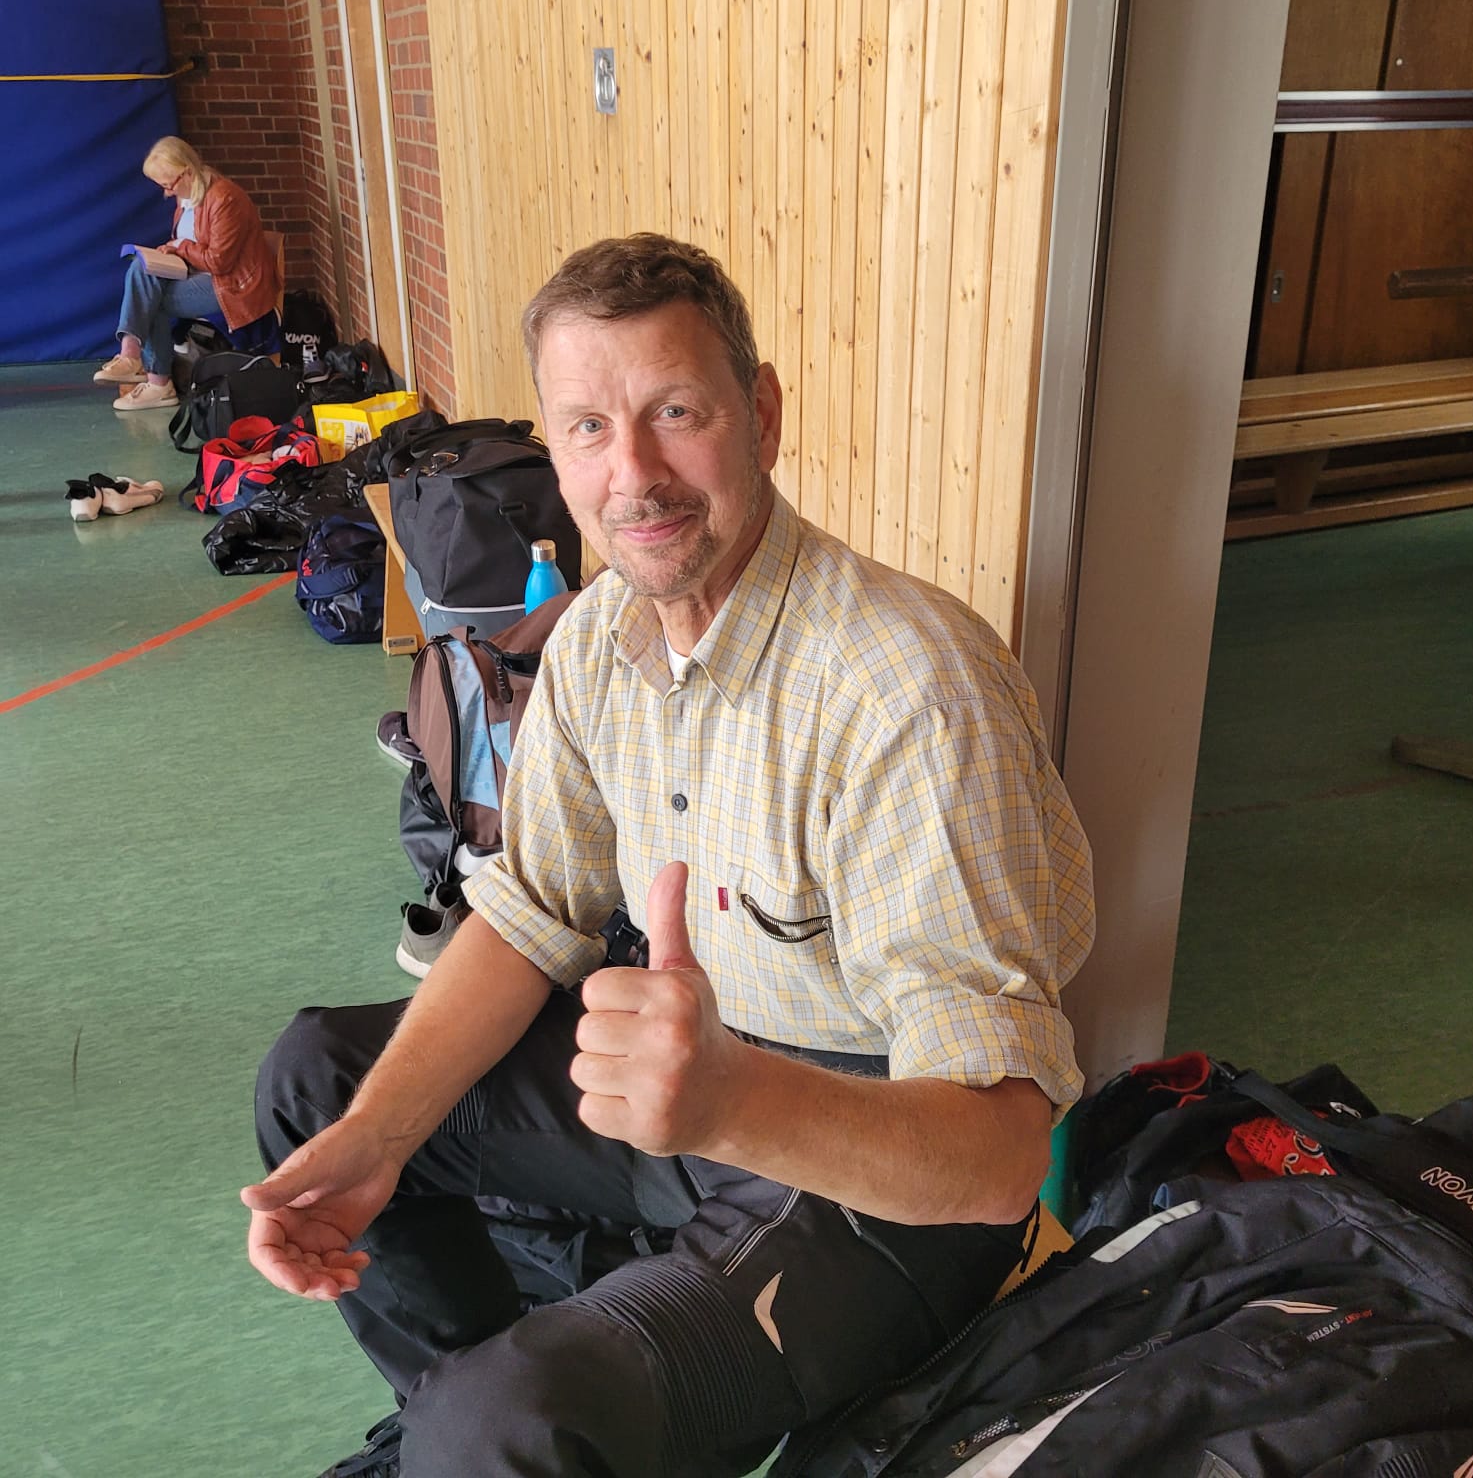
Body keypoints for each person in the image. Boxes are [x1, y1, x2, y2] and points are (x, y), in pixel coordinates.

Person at [242, 234, 1095, 1478]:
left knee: (508, 1424)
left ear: (764, 416)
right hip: (683, 1094)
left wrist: (734, 1100)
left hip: (877, 1176)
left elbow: (1000, 1159)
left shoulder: (910, 689)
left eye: (677, 412)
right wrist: (378, 1136)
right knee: (320, 1085)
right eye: (588, 427)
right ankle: (454, 1420)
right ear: (553, 450)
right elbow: (529, 915)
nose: (633, 474)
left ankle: (486, 1430)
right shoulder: (598, 639)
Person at [94, 136, 280, 411]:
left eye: (168, 185)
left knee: (151, 301)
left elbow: (219, 262)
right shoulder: (188, 196)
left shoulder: (225, 198)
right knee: (141, 267)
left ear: (188, 171)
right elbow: (189, 244)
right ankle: (134, 358)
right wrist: (168, 252)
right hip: (201, 274)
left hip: (233, 285)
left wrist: (179, 247)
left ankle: (154, 379)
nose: (168, 193)